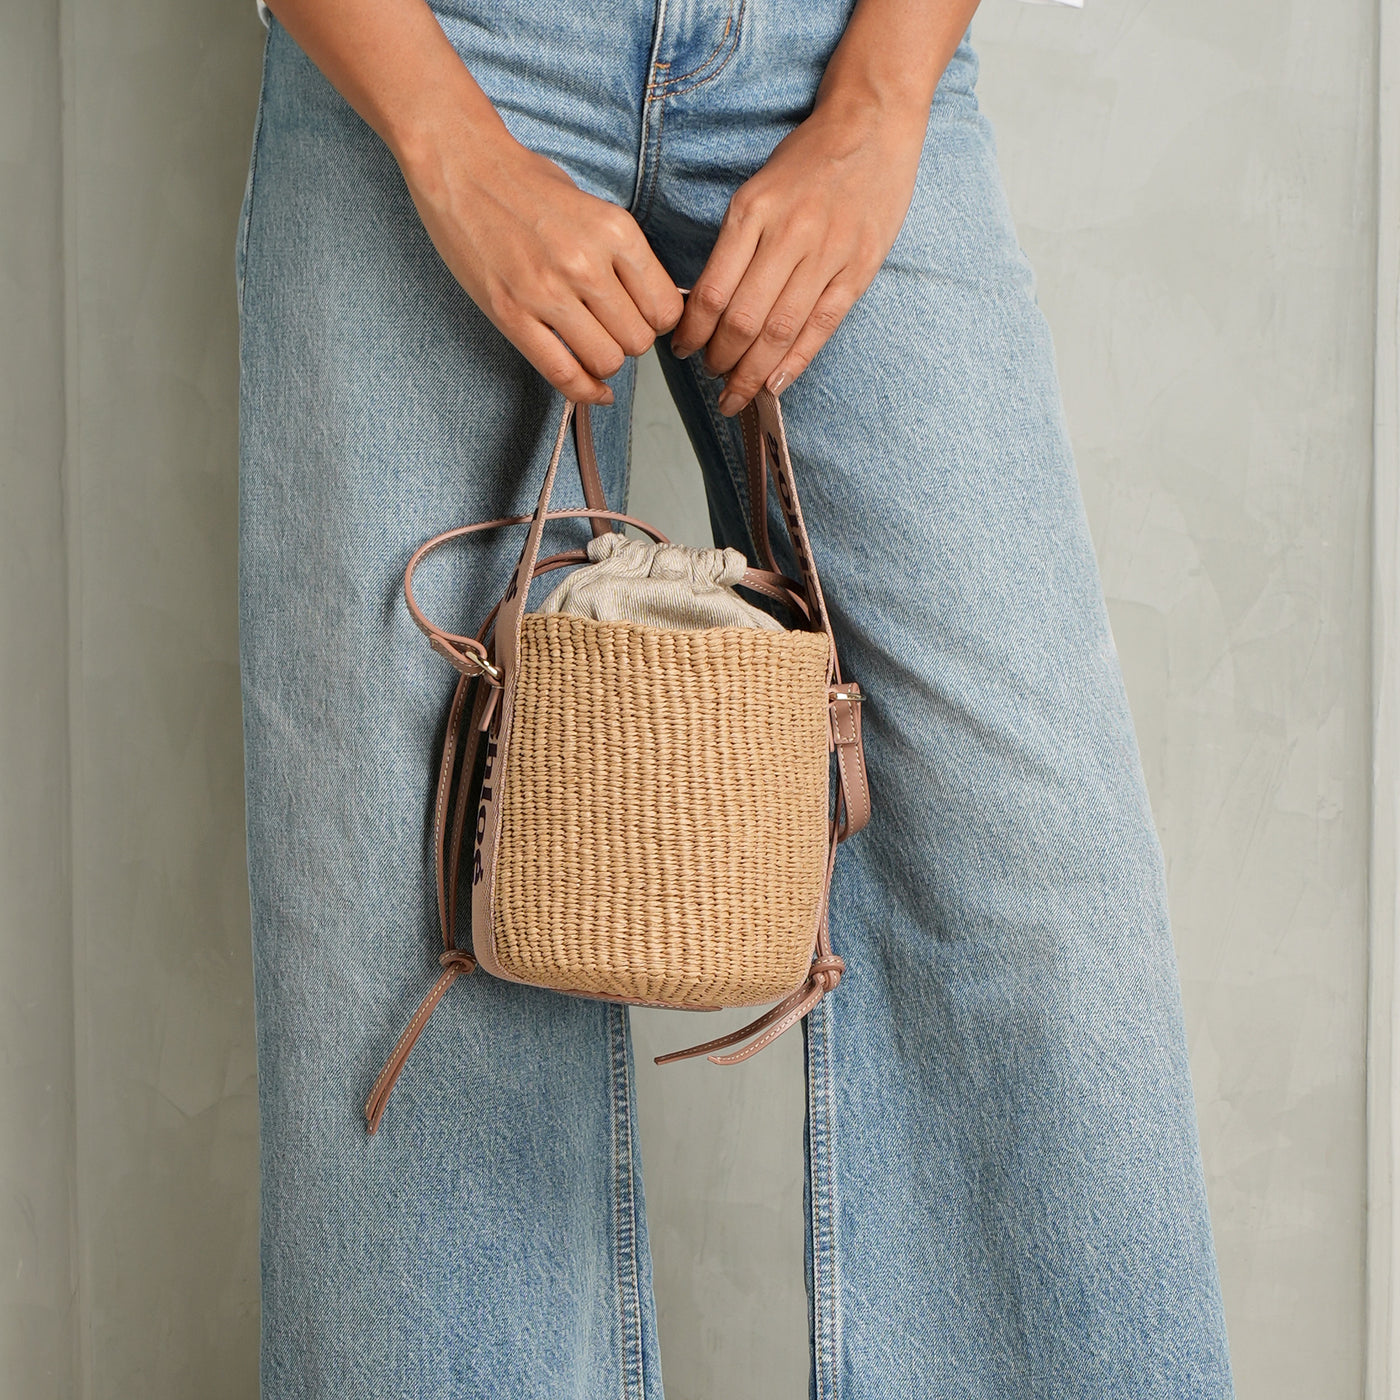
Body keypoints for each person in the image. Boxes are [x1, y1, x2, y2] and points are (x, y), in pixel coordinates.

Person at [234, 0, 1237, 1395]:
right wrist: (444, 140)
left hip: (835, 48)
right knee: (427, 883)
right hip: (439, 40)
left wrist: (881, 98)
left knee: (1028, 865)